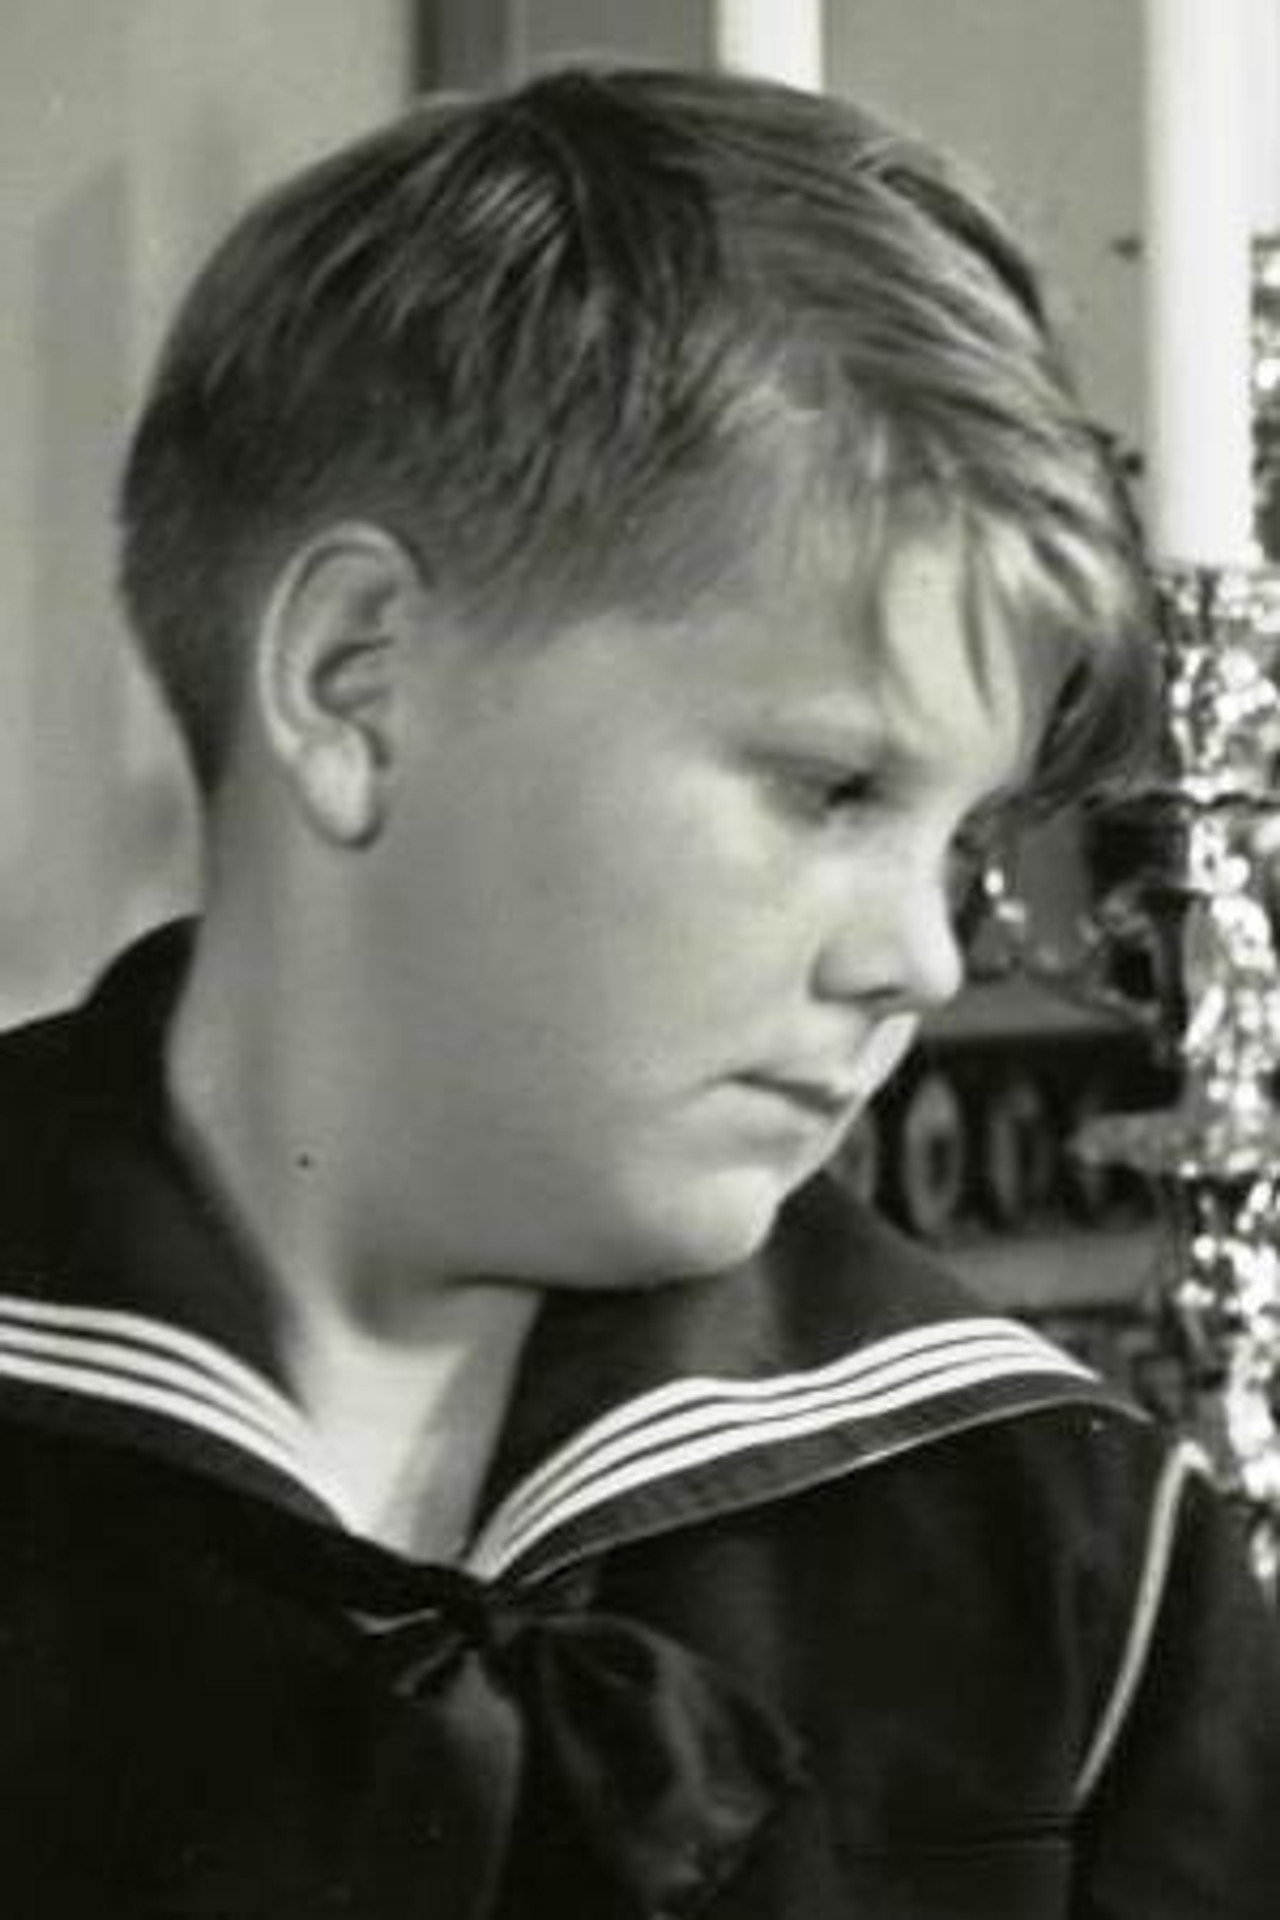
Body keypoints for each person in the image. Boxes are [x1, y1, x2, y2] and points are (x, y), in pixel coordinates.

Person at [0, 63, 1275, 1919]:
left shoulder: (1070, 1548)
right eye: (831, 789)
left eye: (959, 841)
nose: (923, 958)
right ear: (358, 683)